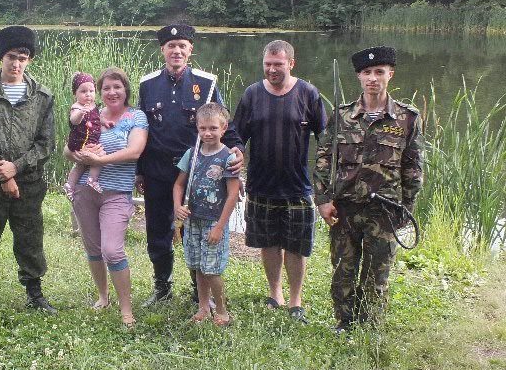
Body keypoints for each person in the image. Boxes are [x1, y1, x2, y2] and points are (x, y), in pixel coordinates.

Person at [314, 46, 424, 332]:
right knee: (343, 271)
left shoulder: (407, 118)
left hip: (385, 210)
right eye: (366, 73)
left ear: (390, 74)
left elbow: (412, 168)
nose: (372, 78)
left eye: (378, 72)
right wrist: (323, 200)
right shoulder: (342, 115)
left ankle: (370, 326)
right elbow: (324, 159)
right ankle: (345, 324)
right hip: (345, 208)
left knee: (377, 274)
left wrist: (407, 210)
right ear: (359, 77)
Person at [136, 24, 242, 306]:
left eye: (182, 45)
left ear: (190, 50)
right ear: (162, 50)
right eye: (171, 46)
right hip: (157, 171)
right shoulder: (147, 84)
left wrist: (238, 149)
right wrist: (138, 170)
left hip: (195, 173)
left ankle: (200, 290)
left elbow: (222, 122)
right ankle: (162, 286)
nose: (176, 51)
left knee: (194, 231)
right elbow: (140, 129)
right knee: (158, 230)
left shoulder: (207, 84)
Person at [232, 40, 326, 322]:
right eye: (268, 65)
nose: (272, 70)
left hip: (298, 186)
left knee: (296, 246)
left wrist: (327, 180)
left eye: (278, 64)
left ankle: (296, 299)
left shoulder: (308, 94)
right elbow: (236, 133)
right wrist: (237, 155)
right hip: (261, 184)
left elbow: (328, 138)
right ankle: (275, 293)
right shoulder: (252, 94)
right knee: (269, 243)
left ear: (291, 64)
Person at [0, 25, 57, 313]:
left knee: (30, 236)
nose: (16, 64)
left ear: (29, 59)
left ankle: (35, 293)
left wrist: (15, 168)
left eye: (23, 57)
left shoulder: (42, 96)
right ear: (0, 58)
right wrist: (2, 173)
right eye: (11, 57)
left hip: (29, 182)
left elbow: (46, 144)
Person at [65, 67, 148, 327]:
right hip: (84, 190)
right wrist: (77, 156)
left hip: (116, 193)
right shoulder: (90, 114)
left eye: (117, 87)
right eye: (106, 88)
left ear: (126, 90)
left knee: (112, 250)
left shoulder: (137, 117)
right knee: (93, 248)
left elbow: (134, 152)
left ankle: (126, 309)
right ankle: (103, 297)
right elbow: (68, 147)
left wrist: (99, 159)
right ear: (99, 93)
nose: (112, 92)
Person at [173, 103, 240, 326]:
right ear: (197, 129)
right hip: (193, 220)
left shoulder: (228, 158)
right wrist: (177, 207)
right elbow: (178, 185)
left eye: (213, 128)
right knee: (198, 267)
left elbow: (232, 195)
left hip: (213, 222)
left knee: (212, 270)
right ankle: (203, 307)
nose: (207, 133)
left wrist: (220, 226)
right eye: (202, 129)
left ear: (224, 128)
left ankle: (221, 310)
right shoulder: (191, 154)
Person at [64, 72, 103, 200]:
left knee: (83, 164)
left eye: (91, 91)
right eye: (83, 91)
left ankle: (74, 184)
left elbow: (98, 120)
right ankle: (89, 180)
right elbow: (74, 120)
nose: (88, 94)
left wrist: (106, 122)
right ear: (75, 93)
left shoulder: (94, 107)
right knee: (96, 158)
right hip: (80, 141)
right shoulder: (77, 107)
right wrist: (80, 113)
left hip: (90, 141)